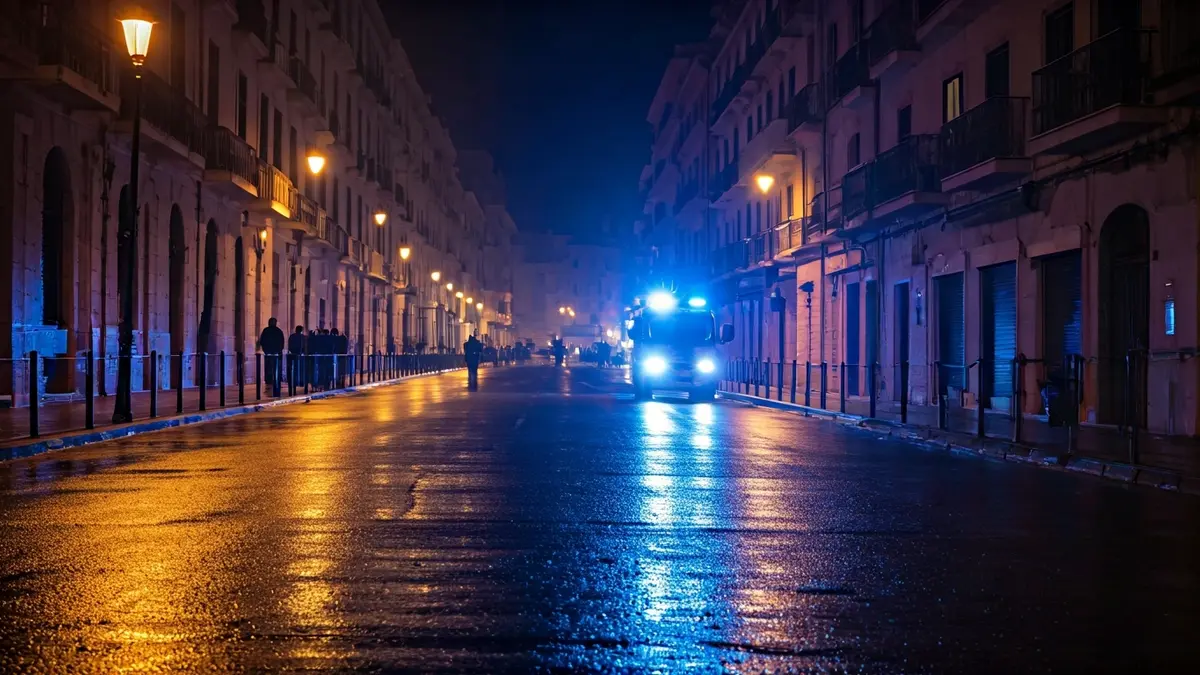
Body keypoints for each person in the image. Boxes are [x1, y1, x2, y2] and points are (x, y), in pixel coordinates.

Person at [259, 318, 285, 396]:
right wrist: (279, 350)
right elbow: (282, 342)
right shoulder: (279, 331)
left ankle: (269, 381)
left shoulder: (266, 330)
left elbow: (262, 341)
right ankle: (277, 380)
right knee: (277, 367)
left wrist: (265, 350)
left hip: (269, 352)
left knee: (268, 367)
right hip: (276, 353)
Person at [287, 326, 305, 391]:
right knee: (300, 369)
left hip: (293, 355)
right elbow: (304, 346)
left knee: (294, 370)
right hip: (300, 356)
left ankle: (294, 382)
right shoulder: (302, 337)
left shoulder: (292, 336)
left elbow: (289, 346)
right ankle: (300, 382)